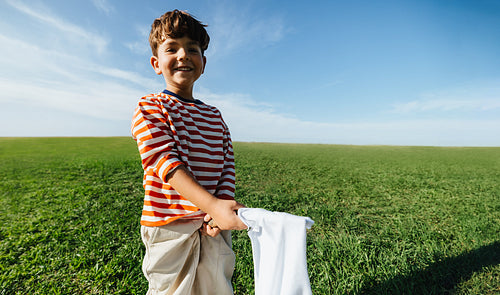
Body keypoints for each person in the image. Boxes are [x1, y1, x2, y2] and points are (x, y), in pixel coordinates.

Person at [131, 9, 247, 295]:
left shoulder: (214, 115)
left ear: (203, 63)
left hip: (213, 224)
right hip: (169, 225)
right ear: (156, 63)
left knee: (216, 285)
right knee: (172, 290)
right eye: (172, 48)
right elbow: (164, 161)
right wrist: (212, 205)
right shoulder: (151, 107)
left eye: (192, 49)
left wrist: (218, 207)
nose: (183, 55)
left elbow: (226, 164)